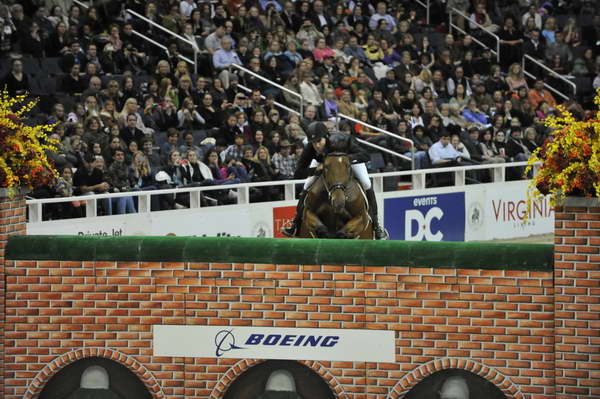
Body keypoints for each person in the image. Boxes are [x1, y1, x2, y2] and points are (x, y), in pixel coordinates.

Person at [281, 121, 388, 240]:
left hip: (348, 160)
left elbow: (365, 156)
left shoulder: (342, 140)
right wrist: (315, 171)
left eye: (318, 141)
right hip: (324, 163)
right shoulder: (311, 148)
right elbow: (298, 172)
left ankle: (376, 226)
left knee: (366, 183)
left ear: (326, 137)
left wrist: (346, 160)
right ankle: (295, 224)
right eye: (313, 143)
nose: (316, 146)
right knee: (307, 185)